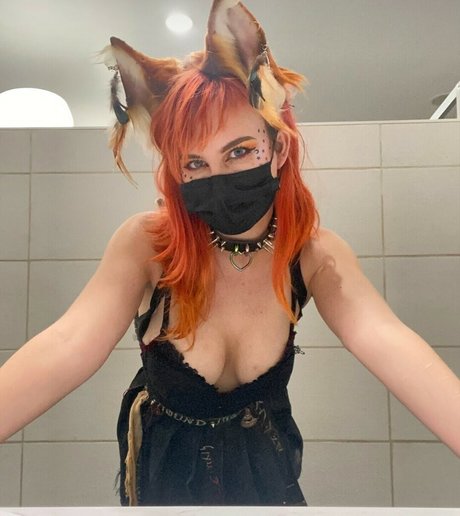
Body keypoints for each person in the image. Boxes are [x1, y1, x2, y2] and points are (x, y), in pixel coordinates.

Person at [0, 0, 459, 507]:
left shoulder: (312, 254)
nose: (216, 176)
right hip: (163, 483)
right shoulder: (149, 244)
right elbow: (68, 344)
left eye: (239, 151)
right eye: (194, 163)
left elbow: (388, 341)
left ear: (278, 150)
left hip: (268, 475)